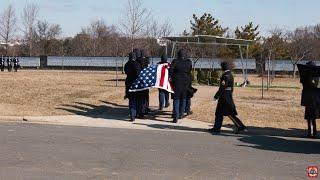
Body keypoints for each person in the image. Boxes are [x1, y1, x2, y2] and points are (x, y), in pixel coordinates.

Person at [211, 61, 247, 134]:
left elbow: (222, 87)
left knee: (230, 113)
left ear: (223, 67)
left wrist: (216, 95)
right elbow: (231, 88)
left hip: (224, 97)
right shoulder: (230, 74)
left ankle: (240, 126)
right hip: (227, 96)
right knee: (219, 113)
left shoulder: (226, 75)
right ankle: (216, 128)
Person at [170, 49, 192, 123]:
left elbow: (171, 71)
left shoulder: (175, 61)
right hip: (186, 82)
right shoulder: (189, 62)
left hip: (176, 82)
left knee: (176, 99)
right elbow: (189, 71)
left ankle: (175, 116)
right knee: (183, 98)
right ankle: (181, 114)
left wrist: (171, 78)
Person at [300, 61, 319, 138]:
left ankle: (312, 133)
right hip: (313, 99)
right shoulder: (308, 77)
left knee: (311, 117)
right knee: (311, 118)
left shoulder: (312, 77)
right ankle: (312, 133)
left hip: (311, 99)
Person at [124, 52, 141, 122]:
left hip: (128, 82)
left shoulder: (126, 64)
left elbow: (125, 71)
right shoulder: (136, 64)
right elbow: (138, 73)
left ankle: (132, 114)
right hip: (135, 83)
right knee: (135, 99)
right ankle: (134, 114)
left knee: (131, 100)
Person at [140, 49, 151, 114]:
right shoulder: (147, 60)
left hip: (140, 79)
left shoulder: (138, 60)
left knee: (141, 95)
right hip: (146, 79)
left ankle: (142, 108)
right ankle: (145, 107)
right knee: (146, 94)